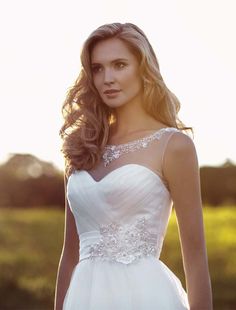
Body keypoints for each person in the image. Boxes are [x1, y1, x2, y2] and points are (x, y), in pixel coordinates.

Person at [54, 22, 213, 310]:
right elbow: (70, 253)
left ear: (143, 68)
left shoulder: (173, 145)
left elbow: (195, 255)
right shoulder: (79, 147)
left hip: (146, 297)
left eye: (119, 65)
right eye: (98, 68)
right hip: (83, 299)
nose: (107, 78)